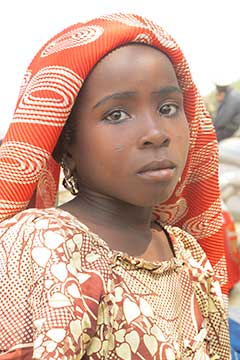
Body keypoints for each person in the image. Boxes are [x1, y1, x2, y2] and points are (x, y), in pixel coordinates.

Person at [0, 13, 230, 359]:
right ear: (67, 144)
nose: (156, 133)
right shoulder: (46, 246)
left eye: (168, 107)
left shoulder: (187, 253)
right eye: (116, 114)